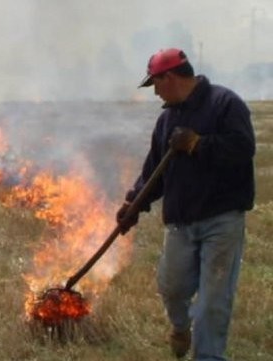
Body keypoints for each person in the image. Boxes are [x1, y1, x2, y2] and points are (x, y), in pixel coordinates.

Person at [116, 48, 255, 360]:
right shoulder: (167, 119)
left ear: (171, 77)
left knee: (211, 302)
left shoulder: (225, 103)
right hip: (180, 223)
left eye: (156, 83)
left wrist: (197, 144)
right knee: (172, 288)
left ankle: (207, 355)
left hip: (222, 220)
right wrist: (133, 205)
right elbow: (154, 172)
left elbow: (243, 149)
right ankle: (181, 326)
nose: (155, 91)